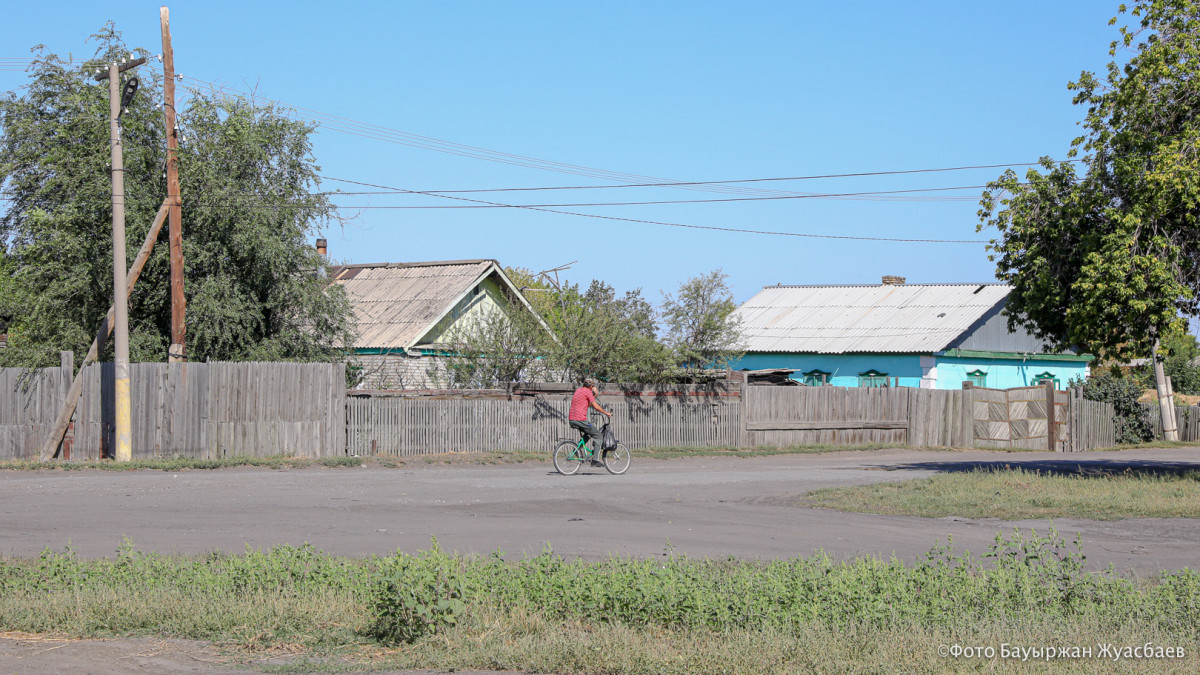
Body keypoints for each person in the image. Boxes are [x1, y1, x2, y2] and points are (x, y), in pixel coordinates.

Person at [568, 378, 611, 466]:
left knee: (588, 433)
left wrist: (594, 395)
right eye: (592, 387)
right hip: (580, 419)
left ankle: (577, 450)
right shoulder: (588, 392)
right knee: (598, 435)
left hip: (572, 419)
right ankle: (595, 460)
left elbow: (588, 404)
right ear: (591, 386)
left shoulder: (578, 390)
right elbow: (595, 406)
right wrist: (606, 413)